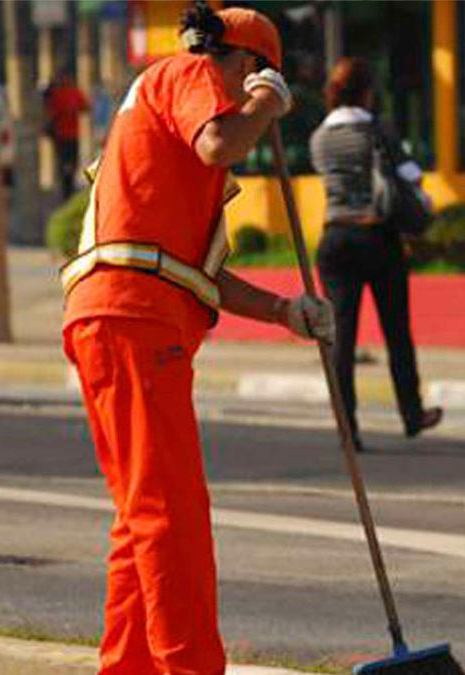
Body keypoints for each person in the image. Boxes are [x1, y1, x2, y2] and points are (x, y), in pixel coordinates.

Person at [60, 3, 334, 673]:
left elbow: (198, 272)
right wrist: (267, 105)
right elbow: (222, 141)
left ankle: (128, 665)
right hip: (134, 318)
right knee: (172, 516)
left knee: (140, 517)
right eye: (257, 76)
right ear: (244, 63)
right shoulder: (189, 74)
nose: (252, 92)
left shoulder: (163, 130)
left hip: (120, 314)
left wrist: (284, 311)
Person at [309, 57, 442, 452]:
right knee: (396, 331)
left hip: (334, 240)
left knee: (341, 339)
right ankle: (412, 414)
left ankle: (346, 427)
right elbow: (411, 176)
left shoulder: (319, 137)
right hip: (377, 236)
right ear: (367, 92)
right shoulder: (378, 129)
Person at [44, 72, 90, 199]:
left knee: (64, 162)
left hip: (62, 135)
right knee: (71, 162)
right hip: (70, 134)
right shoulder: (73, 93)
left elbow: (49, 110)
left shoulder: (57, 94)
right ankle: (68, 186)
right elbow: (85, 107)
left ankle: (66, 187)